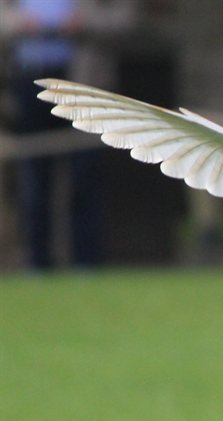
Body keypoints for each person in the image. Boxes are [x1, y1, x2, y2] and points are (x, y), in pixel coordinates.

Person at [1, 0, 137, 270]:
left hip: (82, 87)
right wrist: (19, 23)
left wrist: (83, 23)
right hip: (28, 84)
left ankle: (85, 263)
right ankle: (38, 263)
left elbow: (126, 19)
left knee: (84, 177)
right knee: (34, 177)